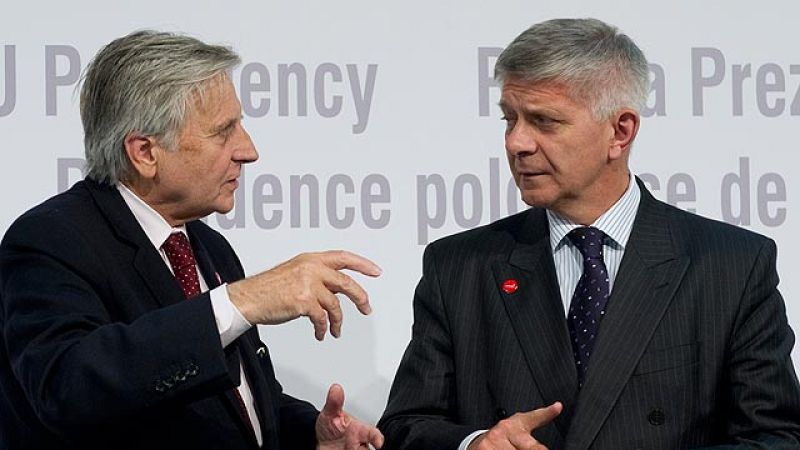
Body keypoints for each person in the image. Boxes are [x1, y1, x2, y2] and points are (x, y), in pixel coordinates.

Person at [378, 18, 800, 449]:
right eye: (510, 119)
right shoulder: (458, 267)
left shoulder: (732, 266)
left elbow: (775, 438)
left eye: (544, 121)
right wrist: (474, 443)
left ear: (620, 132)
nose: (516, 143)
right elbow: (405, 427)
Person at [0, 30, 384, 450]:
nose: (249, 150)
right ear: (145, 152)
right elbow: (68, 389)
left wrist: (311, 433)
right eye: (223, 132)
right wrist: (242, 300)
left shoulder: (208, 246)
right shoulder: (50, 241)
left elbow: (231, 406)